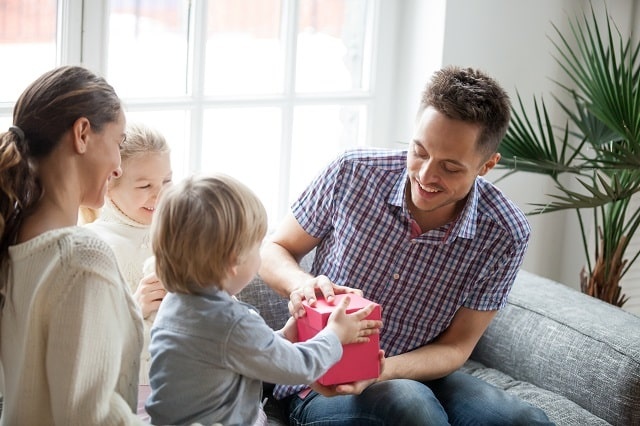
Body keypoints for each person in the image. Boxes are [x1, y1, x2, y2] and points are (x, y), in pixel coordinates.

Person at [259, 65, 554, 425]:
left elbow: (457, 346)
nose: (427, 175)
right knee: (410, 405)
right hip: (324, 375)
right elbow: (273, 250)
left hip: (419, 370)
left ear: (486, 165)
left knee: (524, 420)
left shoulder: (505, 233)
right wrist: (300, 284)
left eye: (450, 167)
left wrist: (383, 369)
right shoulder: (352, 173)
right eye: (420, 151)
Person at [145, 174, 382, 426]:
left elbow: (246, 351)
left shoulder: (176, 303)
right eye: (257, 248)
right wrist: (335, 335)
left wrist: (285, 335)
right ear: (233, 261)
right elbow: (296, 367)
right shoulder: (228, 323)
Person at [0, 65, 145, 424]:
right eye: (119, 142)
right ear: (82, 133)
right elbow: (90, 416)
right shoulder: (80, 257)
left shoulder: (15, 240)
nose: (117, 167)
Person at [83, 121, 172, 386]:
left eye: (167, 180)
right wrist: (136, 306)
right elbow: (83, 342)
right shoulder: (91, 242)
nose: (160, 194)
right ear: (109, 184)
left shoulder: (184, 234)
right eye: (145, 186)